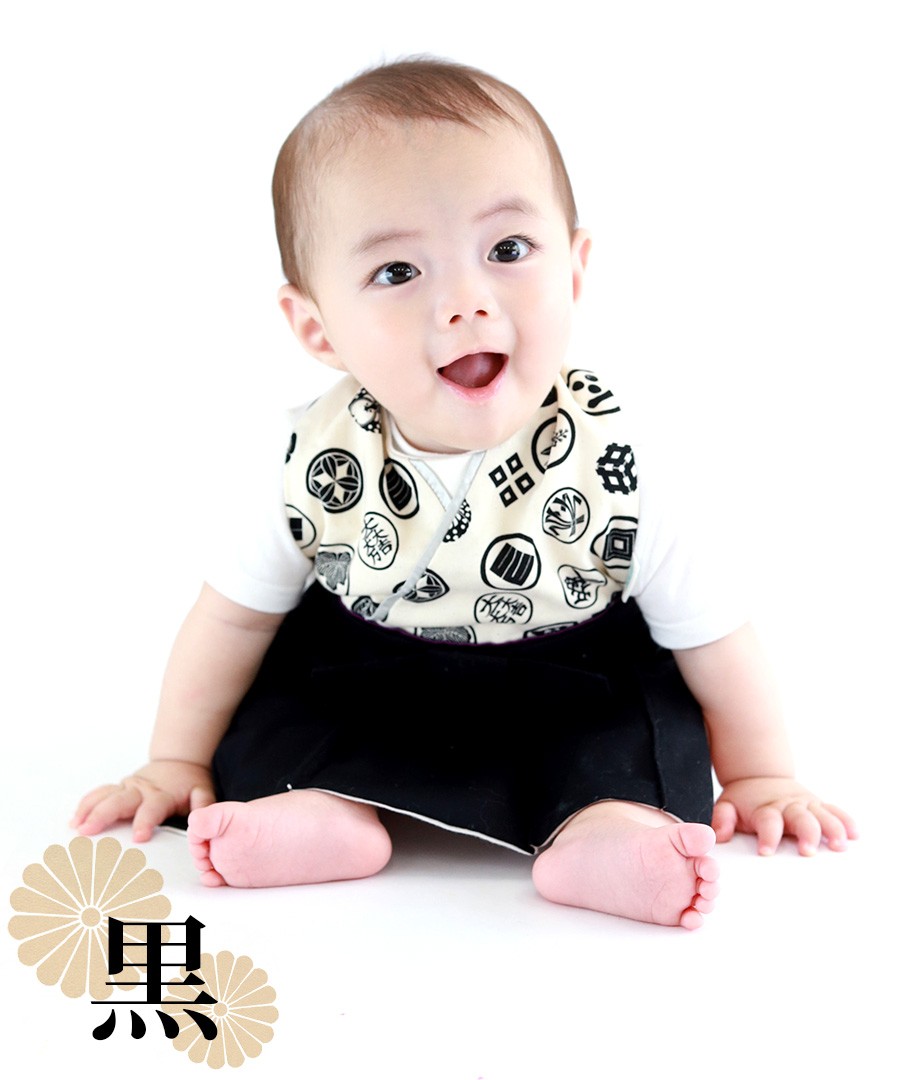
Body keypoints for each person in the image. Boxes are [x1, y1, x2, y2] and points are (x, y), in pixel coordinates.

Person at [71, 58, 855, 929]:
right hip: (370, 673)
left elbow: (713, 636)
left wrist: (760, 775)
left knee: (638, 731)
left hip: (572, 679)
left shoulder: (625, 462)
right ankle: (320, 812)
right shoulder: (307, 460)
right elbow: (231, 621)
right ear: (318, 328)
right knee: (280, 710)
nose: (465, 302)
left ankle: (605, 833)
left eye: (507, 251)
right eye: (397, 272)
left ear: (574, 271)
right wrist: (173, 760)